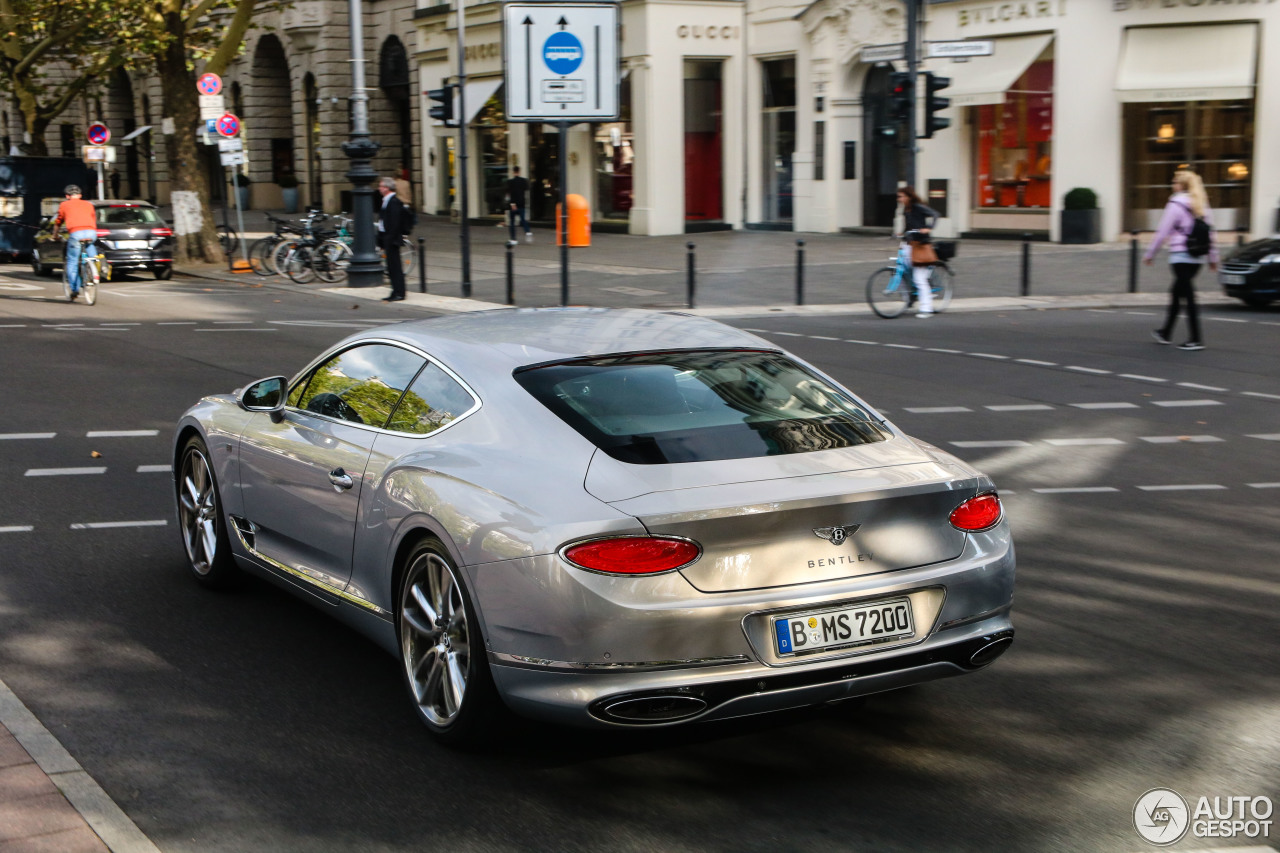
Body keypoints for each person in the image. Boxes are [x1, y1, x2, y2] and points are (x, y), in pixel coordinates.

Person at [1144, 170, 1218, 351]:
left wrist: (1150, 254)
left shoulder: (1175, 204)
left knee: (1188, 296)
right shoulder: (1202, 202)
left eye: (1175, 181)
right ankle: (1165, 332)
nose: (1172, 184)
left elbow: (1162, 231)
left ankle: (1196, 339)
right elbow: (1210, 233)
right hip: (1196, 258)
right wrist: (1213, 257)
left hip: (1180, 257)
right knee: (1177, 292)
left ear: (1181, 185)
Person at [897, 186, 940, 318]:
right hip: (909, 243)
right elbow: (909, 225)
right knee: (901, 271)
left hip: (921, 244)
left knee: (919, 278)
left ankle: (927, 309)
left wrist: (928, 228)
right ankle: (911, 298)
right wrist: (901, 234)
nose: (899, 199)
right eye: (899, 196)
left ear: (909, 197)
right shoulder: (906, 209)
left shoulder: (918, 206)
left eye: (902, 196)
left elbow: (935, 214)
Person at [50, 185, 98, 301]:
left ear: (67, 196)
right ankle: (94, 267)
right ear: (80, 195)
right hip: (91, 233)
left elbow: (58, 222)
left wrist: (55, 235)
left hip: (76, 234)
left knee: (72, 261)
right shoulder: (89, 204)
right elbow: (93, 218)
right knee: (91, 251)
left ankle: (75, 289)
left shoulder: (64, 205)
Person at [377, 176, 407, 302]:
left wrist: (389, 238)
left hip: (392, 239)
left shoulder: (393, 202)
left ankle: (399, 292)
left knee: (395, 267)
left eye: (381, 186)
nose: (379, 189)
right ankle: (395, 291)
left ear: (387, 188)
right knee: (391, 267)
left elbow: (394, 223)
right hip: (388, 238)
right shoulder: (386, 201)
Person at [505, 165, 532, 243]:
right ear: (519, 172)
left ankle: (513, 239)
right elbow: (526, 190)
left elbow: (509, 194)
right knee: (523, 220)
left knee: (512, 222)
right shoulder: (524, 181)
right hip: (521, 203)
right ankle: (527, 231)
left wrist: (512, 203)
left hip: (513, 205)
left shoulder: (510, 182)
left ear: (513, 172)